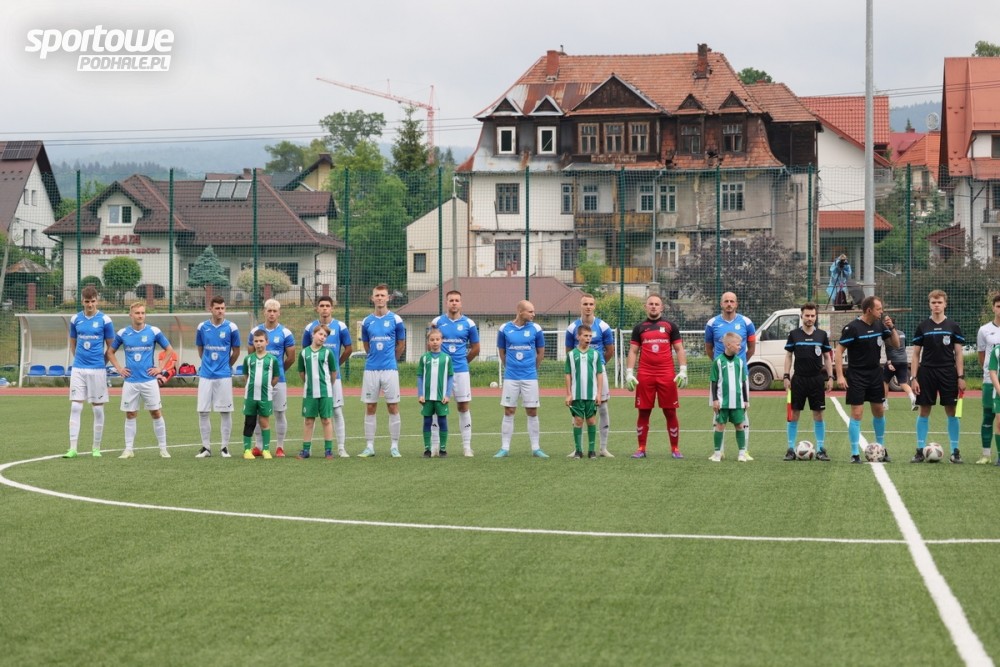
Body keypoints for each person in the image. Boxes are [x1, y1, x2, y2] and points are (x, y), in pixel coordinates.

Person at [835, 296, 900, 463]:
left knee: (879, 411)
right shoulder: (852, 328)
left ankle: (881, 448)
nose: (882, 311)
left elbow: (896, 344)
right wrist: (840, 375)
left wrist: (892, 328)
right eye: (879, 309)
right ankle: (854, 453)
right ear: (869, 310)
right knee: (857, 413)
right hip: (856, 375)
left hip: (875, 374)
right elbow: (838, 351)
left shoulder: (880, 325)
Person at [107, 302, 176, 459]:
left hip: (149, 381)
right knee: (130, 414)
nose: (140, 316)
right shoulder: (123, 333)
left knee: (156, 412)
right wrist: (120, 369)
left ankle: (163, 449)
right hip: (130, 381)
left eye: (143, 313)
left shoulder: (153, 331)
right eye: (137, 313)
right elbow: (110, 352)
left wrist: (160, 368)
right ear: (131, 315)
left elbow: (169, 350)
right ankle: (128, 449)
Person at [625, 294, 688, 459]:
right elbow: (633, 351)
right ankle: (641, 448)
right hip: (645, 374)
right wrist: (629, 373)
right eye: (650, 304)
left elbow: (679, 349)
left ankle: (675, 449)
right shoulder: (639, 328)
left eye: (656, 304)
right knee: (643, 412)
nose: (653, 306)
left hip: (666, 374)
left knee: (670, 411)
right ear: (645, 307)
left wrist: (683, 370)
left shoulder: (670, 326)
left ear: (662, 307)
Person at [909, 289, 966, 464]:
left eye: (939, 302)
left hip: (948, 372)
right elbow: (916, 354)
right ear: (929, 304)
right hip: (927, 372)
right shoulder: (923, 326)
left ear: (945, 304)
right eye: (933, 302)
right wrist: (913, 378)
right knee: (924, 409)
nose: (936, 305)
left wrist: (961, 376)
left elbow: (958, 354)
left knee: (952, 411)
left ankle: (955, 452)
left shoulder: (953, 326)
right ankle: (920, 450)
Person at [63, 285, 115, 459]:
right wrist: (78, 359)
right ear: (82, 301)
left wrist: (101, 363)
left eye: (93, 301)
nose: (90, 305)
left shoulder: (105, 320)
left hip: (97, 369)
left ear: (97, 300)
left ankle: (96, 448)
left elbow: (111, 347)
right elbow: (73, 342)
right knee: (76, 406)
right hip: (78, 368)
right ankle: (72, 448)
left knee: (97, 409)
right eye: (87, 301)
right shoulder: (75, 319)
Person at [704, 291, 755, 459]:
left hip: (740, 376)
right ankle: (719, 451)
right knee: (718, 411)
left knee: (742, 413)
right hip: (721, 378)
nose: (729, 304)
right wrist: (721, 365)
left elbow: (751, 348)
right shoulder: (712, 323)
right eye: (726, 301)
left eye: (732, 301)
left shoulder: (746, 322)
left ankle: (744, 450)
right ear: (721, 304)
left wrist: (739, 365)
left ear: (736, 304)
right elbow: (709, 348)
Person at [494, 300, 547, 458]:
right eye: (530, 311)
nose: (533, 314)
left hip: (530, 376)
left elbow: (541, 353)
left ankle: (536, 448)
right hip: (511, 376)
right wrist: (510, 367)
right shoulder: (504, 329)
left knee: (532, 411)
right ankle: (504, 448)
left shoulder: (536, 329)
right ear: (520, 311)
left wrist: (532, 369)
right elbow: (502, 352)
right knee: (509, 410)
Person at [430, 290, 480, 457]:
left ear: (461, 303)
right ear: (446, 302)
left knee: (463, 406)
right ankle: (435, 446)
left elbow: (476, 348)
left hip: (461, 371)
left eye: (457, 300)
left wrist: (464, 361)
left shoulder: (469, 324)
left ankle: (467, 446)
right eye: (451, 300)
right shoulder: (437, 322)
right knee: (437, 407)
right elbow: (430, 343)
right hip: (440, 371)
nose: (454, 303)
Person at [359, 284, 406, 457]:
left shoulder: (396, 320)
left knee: (392, 406)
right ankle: (369, 446)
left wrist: (392, 359)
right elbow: (366, 345)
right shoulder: (366, 321)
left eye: (382, 295)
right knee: (370, 406)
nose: (380, 298)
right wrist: (374, 357)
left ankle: (394, 446)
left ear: (388, 298)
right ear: (372, 298)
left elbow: (401, 344)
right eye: (377, 295)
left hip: (390, 369)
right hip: (371, 369)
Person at [782, 302, 833, 462]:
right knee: (794, 413)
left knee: (818, 414)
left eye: (812, 316)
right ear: (802, 316)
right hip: (798, 379)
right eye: (807, 315)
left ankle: (820, 449)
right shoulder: (794, 334)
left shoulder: (822, 335)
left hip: (816, 379)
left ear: (816, 317)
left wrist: (830, 377)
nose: (810, 318)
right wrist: (786, 376)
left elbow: (827, 357)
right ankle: (790, 449)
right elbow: (788, 356)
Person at [302, 295, 353, 457]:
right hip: (313, 381)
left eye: (327, 306)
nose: (324, 308)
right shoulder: (310, 327)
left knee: (336, 412)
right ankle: (308, 448)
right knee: (311, 415)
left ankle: (341, 448)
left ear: (332, 308)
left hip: (333, 378)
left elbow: (349, 349)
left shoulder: (341, 326)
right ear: (317, 308)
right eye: (322, 305)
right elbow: (305, 351)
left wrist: (336, 364)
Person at [565, 293, 615, 457]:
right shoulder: (572, 328)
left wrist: (598, 365)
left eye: (591, 304)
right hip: (578, 372)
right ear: (580, 306)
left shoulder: (603, 327)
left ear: (595, 306)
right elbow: (569, 351)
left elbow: (609, 350)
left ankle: (603, 448)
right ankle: (577, 448)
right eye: (585, 304)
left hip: (598, 370)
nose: (588, 307)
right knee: (577, 408)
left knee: (602, 407)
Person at [194, 296, 241, 458]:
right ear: (211, 309)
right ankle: (206, 448)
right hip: (206, 375)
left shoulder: (231, 327)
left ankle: (224, 447)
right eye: (217, 308)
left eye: (223, 308)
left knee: (225, 411)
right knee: (203, 411)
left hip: (223, 376)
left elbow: (236, 351)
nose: (220, 311)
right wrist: (207, 364)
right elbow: (200, 349)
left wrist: (226, 366)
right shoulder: (202, 327)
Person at [248, 299, 295, 457]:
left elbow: (291, 358)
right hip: (259, 382)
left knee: (279, 413)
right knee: (258, 414)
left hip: (278, 381)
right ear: (264, 312)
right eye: (269, 311)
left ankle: (280, 446)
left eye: (275, 311)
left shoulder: (285, 333)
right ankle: (258, 446)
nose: (272, 314)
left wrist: (278, 372)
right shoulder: (255, 331)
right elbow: (250, 356)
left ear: (279, 313)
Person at [297, 324, 340, 460]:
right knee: (308, 421)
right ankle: (305, 450)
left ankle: (328, 450)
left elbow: (333, 372)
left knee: (326, 420)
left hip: (325, 392)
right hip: (309, 393)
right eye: (320, 334)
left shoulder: (328, 353)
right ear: (313, 334)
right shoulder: (304, 353)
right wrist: (309, 384)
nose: (322, 337)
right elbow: (301, 372)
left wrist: (327, 385)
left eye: (325, 336)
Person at [565, 323, 604, 459]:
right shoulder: (571, 354)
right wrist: (568, 394)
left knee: (591, 421)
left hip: (591, 394)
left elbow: (599, 374)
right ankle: (578, 450)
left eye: (590, 336)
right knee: (578, 421)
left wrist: (599, 393)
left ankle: (591, 450)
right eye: (585, 336)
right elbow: (568, 374)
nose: (588, 338)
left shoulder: (595, 354)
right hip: (576, 394)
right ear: (578, 337)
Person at [710, 333, 750, 462]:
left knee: (740, 425)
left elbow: (743, 382)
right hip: (723, 401)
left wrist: (745, 400)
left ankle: (742, 453)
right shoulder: (718, 361)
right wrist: (715, 399)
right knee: (720, 426)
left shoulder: (740, 362)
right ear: (728, 345)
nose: (740, 347)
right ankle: (717, 453)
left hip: (737, 402)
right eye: (738, 344)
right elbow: (714, 381)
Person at [241, 330, 279, 459]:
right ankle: (247, 450)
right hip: (250, 396)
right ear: (253, 342)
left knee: (264, 422)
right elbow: (246, 375)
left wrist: (268, 387)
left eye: (261, 341)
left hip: (265, 396)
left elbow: (276, 377)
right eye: (256, 341)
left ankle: (266, 449)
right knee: (249, 422)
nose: (258, 343)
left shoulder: (272, 359)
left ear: (267, 342)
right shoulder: (248, 359)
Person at [417, 327, 454, 458]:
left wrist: (448, 394)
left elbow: (450, 377)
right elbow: (420, 376)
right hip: (427, 397)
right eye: (432, 339)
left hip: (441, 397)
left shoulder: (447, 358)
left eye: (437, 339)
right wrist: (420, 394)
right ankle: (427, 449)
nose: (435, 342)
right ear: (428, 342)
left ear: (441, 341)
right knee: (427, 422)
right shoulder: (424, 358)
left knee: (442, 421)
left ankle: (443, 449)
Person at [975, 293, 1000, 465]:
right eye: (998, 306)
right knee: (988, 416)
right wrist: (990, 372)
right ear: (993, 308)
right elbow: (982, 355)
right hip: (990, 380)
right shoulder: (984, 330)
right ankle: (986, 454)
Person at [882, 330, 916, 412]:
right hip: (903, 360)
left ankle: (885, 403)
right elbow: (904, 346)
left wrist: (889, 362)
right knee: (903, 383)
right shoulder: (902, 333)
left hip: (892, 361)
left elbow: (888, 349)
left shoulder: (887, 334)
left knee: (885, 381)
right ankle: (913, 398)